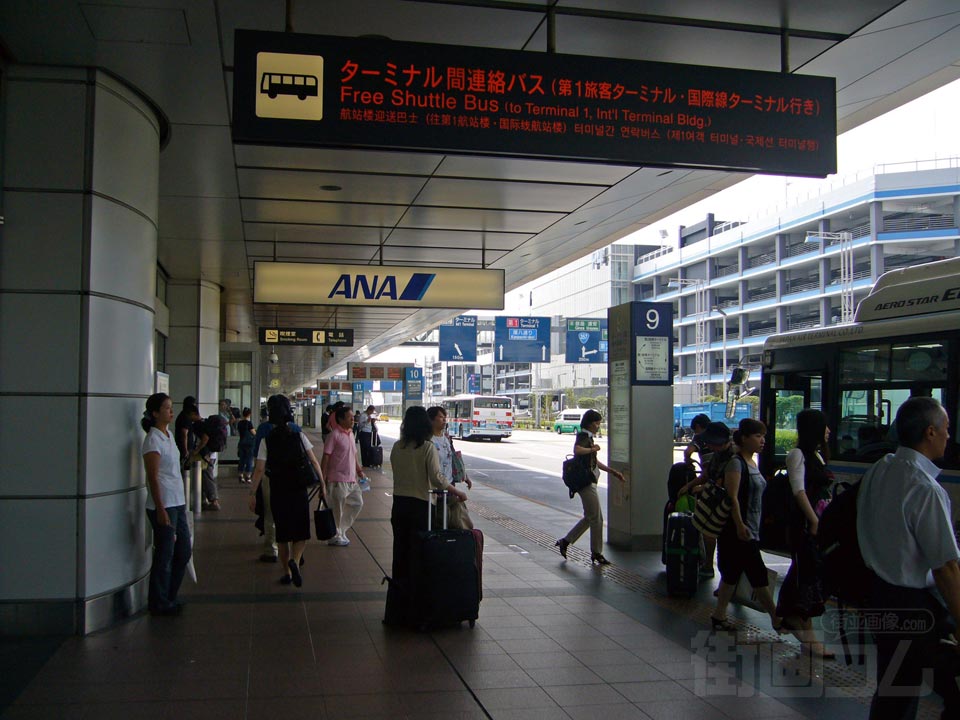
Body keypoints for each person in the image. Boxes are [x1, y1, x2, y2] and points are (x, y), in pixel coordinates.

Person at [857, 397, 960, 720]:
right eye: (945, 429)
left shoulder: (881, 468)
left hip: (878, 596)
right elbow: (945, 567)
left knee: (895, 688)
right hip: (915, 609)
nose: (948, 436)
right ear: (930, 432)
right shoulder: (925, 488)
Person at [385, 406, 467, 625]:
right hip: (420, 506)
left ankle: (397, 607)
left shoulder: (396, 447)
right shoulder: (427, 448)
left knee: (400, 553)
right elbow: (438, 478)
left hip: (399, 505)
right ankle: (417, 607)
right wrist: (457, 491)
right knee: (418, 554)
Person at [709, 418, 781, 632]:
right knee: (757, 575)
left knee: (731, 574)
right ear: (744, 438)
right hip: (738, 529)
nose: (762, 441)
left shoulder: (751, 462)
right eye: (758, 436)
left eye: (763, 436)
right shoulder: (736, 463)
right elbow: (732, 497)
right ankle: (776, 618)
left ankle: (719, 614)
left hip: (747, 527)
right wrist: (740, 524)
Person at [248, 395, 324, 586]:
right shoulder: (299, 434)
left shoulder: (266, 438)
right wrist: (322, 484)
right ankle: (296, 561)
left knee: (282, 533)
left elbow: (259, 469)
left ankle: (287, 572)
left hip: (278, 489)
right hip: (298, 488)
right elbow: (314, 461)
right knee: (300, 532)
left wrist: (252, 493)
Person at [776, 409, 834, 659]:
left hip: (817, 524)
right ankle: (806, 631)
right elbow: (798, 491)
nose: (829, 431)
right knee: (805, 574)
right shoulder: (798, 455)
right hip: (804, 525)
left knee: (806, 572)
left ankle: (790, 617)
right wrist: (812, 520)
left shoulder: (816, 456)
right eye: (824, 426)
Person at [140, 393, 191, 616]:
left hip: (177, 502)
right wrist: (160, 508)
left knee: (184, 550)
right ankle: (159, 601)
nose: (171, 411)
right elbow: (153, 477)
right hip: (164, 505)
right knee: (165, 554)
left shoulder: (168, 435)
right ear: (155, 413)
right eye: (167, 408)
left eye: (172, 407)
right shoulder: (152, 440)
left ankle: (169, 595)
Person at [555, 410, 624, 565]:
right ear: (589, 423)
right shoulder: (584, 436)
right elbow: (577, 450)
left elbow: (593, 460)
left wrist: (612, 471)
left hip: (589, 481)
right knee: (597, 518)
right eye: (596, 423)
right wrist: (593, 449)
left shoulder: (589, 437)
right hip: (586, 483)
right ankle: (597, 553)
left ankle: (565, 542)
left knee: (590, 517)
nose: (598, 425)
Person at [321, 405, 365, 547]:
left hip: (352, 479)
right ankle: (335, 535)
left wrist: (359, 471)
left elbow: (354, 456)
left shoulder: (351, 434)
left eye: (353, 417)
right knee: (337, 510)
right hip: (337, 479)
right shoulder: (334, 435)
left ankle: (340, 530)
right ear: (340, 419)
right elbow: (326, 457)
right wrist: (323, 479)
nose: (353, 419)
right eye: (349, 417)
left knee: (358, 503)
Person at [679, 413, 717, 577]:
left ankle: (708, 564)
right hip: (716, 486)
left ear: (699, 427)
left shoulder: (701, 437)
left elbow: (688, 452)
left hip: (712, 491)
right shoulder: (725, 441)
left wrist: (688, 463)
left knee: (708, 528)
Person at [428, 405, 474, 530]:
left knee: (453, 520)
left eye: (445, 418)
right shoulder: (427, 441)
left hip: (449, 486)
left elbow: (453, 459)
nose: (444, 420)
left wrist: (465, 476)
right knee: (438, 521)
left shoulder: (447, 438)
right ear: (431, 420)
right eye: (441, 417)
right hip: (435, 489)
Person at [236, 407, 255, 484]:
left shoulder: (240, 423)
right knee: (249, 460)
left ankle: (240, 475)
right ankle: (248, 476)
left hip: (241, 443)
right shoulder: (249, 423)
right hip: (249, 444)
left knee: (242, 460)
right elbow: (254, 433)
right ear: (249, 414)